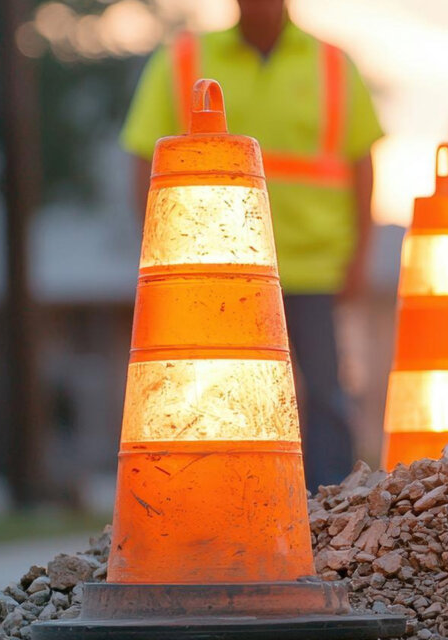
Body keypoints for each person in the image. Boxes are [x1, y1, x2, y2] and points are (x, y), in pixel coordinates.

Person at [120, 0, 384, 489]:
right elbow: (144, 158)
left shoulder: (332, 65)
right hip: (218, 269)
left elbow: (361, 163)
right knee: (220, 396)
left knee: (327, 395)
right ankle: (231, 498)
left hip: (314, 266)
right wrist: (161, 257)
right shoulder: (182, 61)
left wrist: (358, 259)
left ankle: (331, 505)